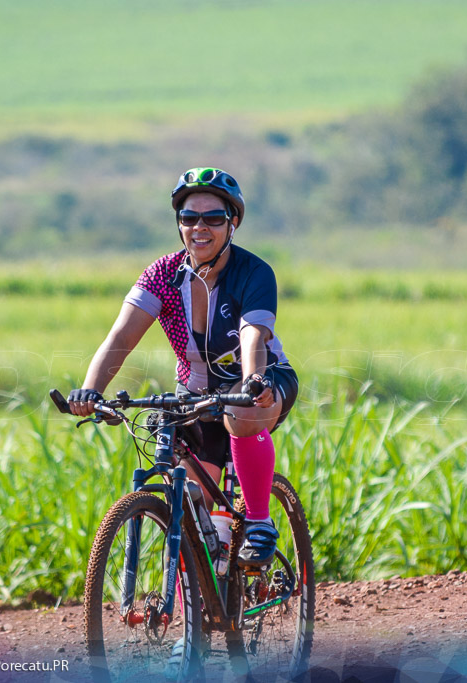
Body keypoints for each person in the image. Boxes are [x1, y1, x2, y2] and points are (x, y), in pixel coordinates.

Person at [67, 167, 298, 566]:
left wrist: (253, 379)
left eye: (213, 218)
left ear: (233, 223)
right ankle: (193, 613)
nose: (199, 227)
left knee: (244, 411)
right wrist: (90, 389)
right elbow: (121, 337)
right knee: (191, 514)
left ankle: (259, 520)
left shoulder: (254, 272)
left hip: (262, 382)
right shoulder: (162, 275)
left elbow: (252, 335)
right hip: (194, 396)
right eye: (189, 218)